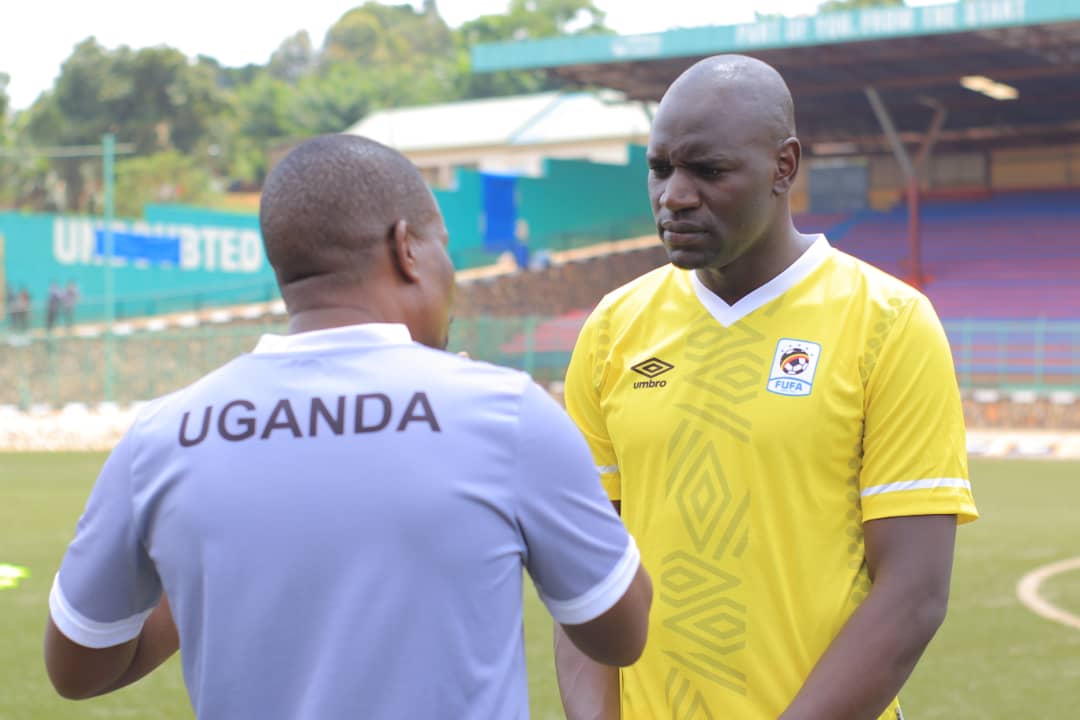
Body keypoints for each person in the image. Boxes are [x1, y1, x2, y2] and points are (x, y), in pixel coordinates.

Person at [44, 134, 653, 719]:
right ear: (406, 248)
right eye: (442, 246)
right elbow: (621, 632)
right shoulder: (502, 414)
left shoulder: (163, 436)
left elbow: (77, 667)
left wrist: (207, 569)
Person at [557, 55, 978, 720]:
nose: (674, 195)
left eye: (709, 171)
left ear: (784, 166)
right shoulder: (613, 328)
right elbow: (588, 576)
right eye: (660, 168)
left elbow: (914, 592)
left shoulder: (889, 323)